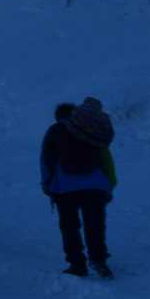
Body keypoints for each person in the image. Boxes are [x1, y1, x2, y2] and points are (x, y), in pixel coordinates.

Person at [41, 98, 117, 279]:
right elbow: (106, 159)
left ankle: (77, 264)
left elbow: (46, 160)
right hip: (95, 186)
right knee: (95, 225)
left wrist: (47, 184)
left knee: (69, 226)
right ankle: (99, 261)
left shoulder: (55, 130)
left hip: (65, 187)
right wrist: (108, 185)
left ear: (58, 117)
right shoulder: (92, 130)